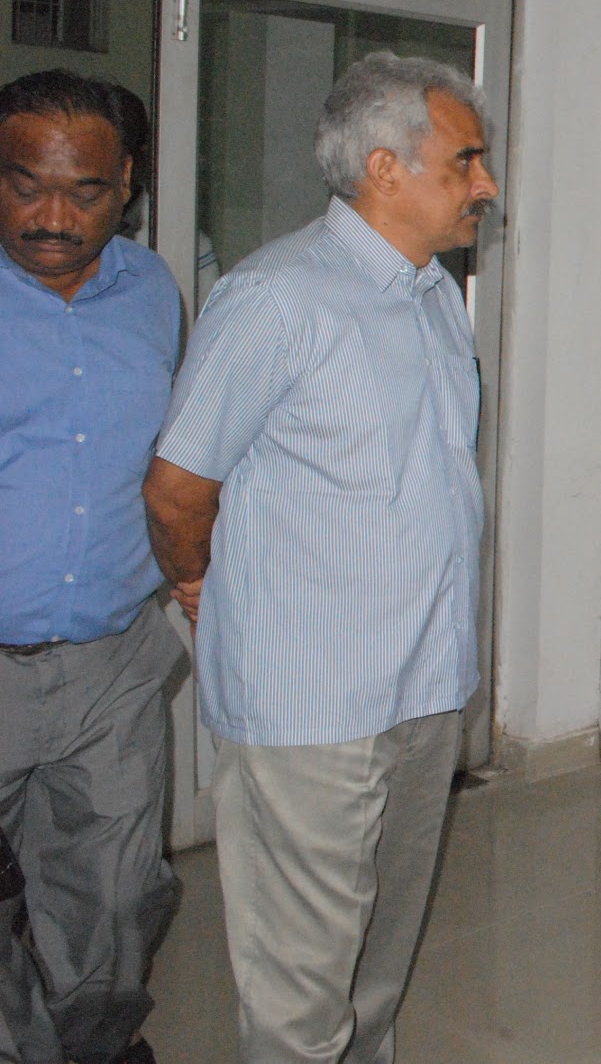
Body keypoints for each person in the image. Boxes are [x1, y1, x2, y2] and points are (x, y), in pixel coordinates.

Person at [142, 52, 498, 1064]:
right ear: (385, 169)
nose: (485, 183)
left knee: (379, 964)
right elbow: (177, 488)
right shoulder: (276, 298)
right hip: (312, 704)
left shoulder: (434, 297)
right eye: (466, 160)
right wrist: (197, 580)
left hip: (422, 687)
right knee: (302, 991)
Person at [0, 69, 183, 1064]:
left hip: (112, 660)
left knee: (115, 897)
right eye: (25, 184)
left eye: (85, 191)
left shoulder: (152, 291)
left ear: (128, 188)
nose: (52, 217)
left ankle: (90, 1050)